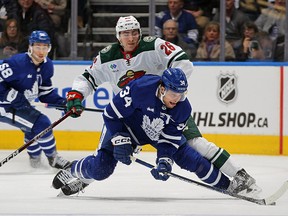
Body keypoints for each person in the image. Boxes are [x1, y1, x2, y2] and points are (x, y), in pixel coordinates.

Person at [53, 16, 261, 195]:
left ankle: (240, 175)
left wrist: (165, 90)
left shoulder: (154, 45)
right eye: (125, 34)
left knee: (195, 143)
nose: (131, 38)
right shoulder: (107, 56)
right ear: (118, 36)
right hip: (128, 114)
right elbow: (88, 78)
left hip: (166, 106)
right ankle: (83, 177)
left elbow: (183, 63)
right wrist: (76, 95)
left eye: (134, 33)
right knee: (105, 160)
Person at [52, 68, 241, 196]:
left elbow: (170, 140)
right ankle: (73, 169)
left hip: (154, 132)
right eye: (173, 94)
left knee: (192, 160)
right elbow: (110, 114)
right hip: (125, 128)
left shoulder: (182, 108)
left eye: (181, 94)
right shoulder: (139, 88)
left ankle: (228, 187)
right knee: (101, 169)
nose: (177, 99)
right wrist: (120, 139)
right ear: (162, 88)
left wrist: (164, 161)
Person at [0, 30, 70, 169]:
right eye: (38, 47)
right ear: (30, 47)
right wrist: (10, 96)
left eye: (45, 47)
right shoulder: (17, 63)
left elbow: (45, 93)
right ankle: (53, 158)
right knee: (42, 123)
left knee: (31, 128)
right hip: (4, 106)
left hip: (19, 106)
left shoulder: (47, 65)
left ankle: (35, 160)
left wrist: (63, 103)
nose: (41, 51)